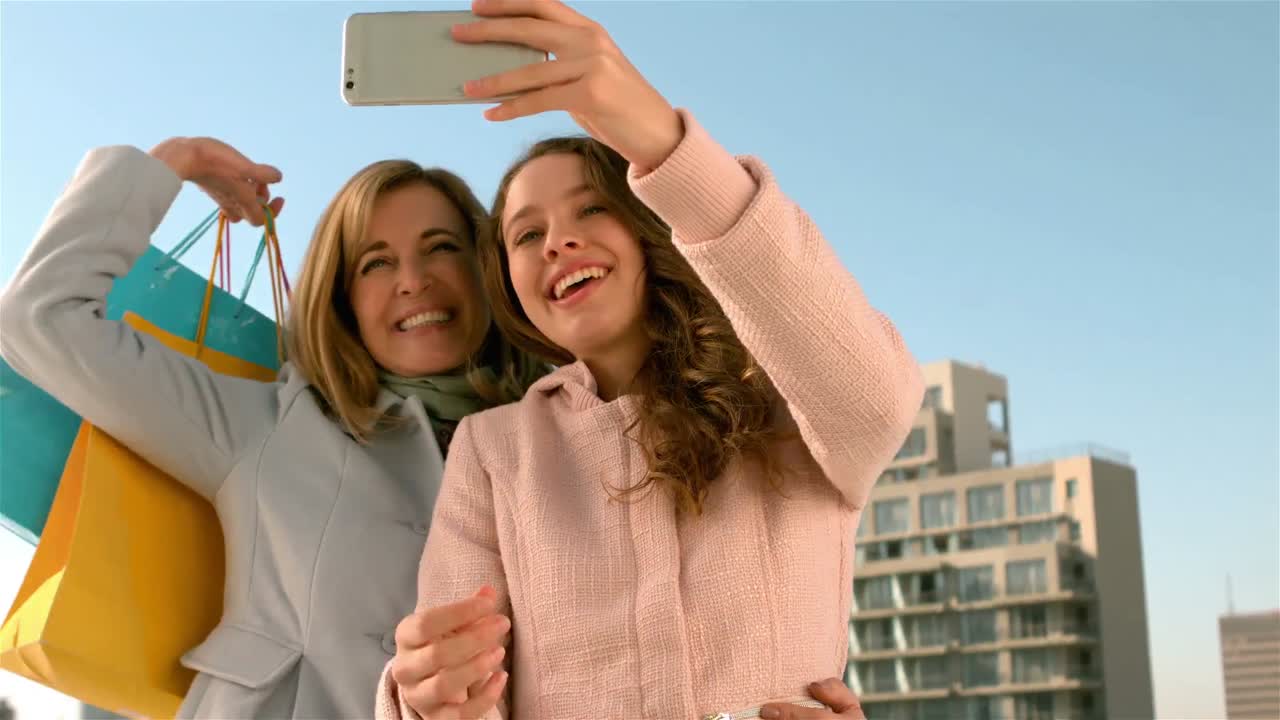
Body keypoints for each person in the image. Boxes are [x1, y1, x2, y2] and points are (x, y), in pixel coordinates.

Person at [377, 1, 924, 719]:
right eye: (526, 233)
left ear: (647, 230)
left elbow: (876, 398)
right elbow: (459, 696)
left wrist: (661, 143)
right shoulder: (494, 452)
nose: (556, 242)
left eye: (591, 210)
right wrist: (423, 700)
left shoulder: (790, 406)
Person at [0, 136, 546, 718]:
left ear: (489, 270)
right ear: (343, 300)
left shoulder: (562, 439)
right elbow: (39, 317)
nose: (412, 280)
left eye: (440, 248)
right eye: (376, 262)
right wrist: (171, 163)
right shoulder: (271, 426)